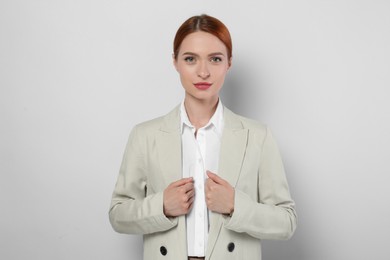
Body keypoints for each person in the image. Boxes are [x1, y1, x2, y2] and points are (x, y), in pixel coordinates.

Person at [109, 14, 297, 260]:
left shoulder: (257, 136)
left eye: (215, 59)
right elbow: (118, 215)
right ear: (175, 61)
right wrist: (161, 206)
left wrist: (235, 205)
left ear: (229, 62)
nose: (203, 72)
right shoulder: (145, 135)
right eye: (190, 59)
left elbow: (287, 222)